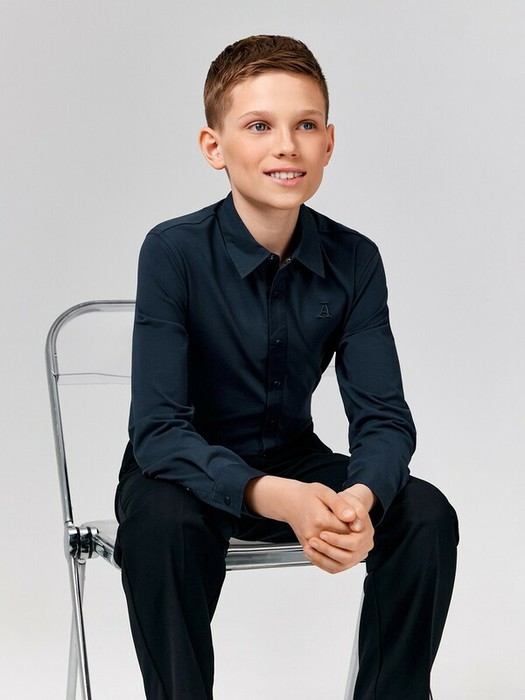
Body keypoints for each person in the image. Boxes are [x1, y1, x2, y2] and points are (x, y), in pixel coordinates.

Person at [114, 35, 459, 700]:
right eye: (258, 126)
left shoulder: (354, 260)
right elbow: (157, 431)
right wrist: (277, 497)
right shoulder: (171, 251)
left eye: (305, 125)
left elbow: (384, 420)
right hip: (182, 472)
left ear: (328, 143)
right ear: (213, 146)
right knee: (163, 524)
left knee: (424, 514)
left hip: (295, 462)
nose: (286, 146)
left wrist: (359, 499)